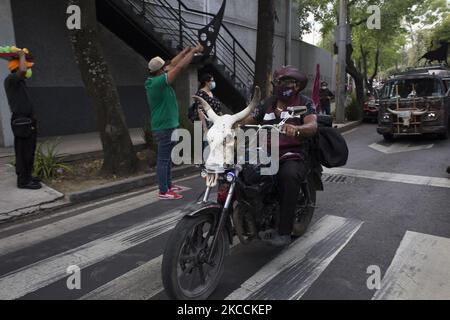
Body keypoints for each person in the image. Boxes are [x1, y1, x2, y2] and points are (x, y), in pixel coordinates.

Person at [240, 66, 318, 246]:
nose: (282, 86)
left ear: (296, 86)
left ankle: (284, 231)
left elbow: (312, 125)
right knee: (239, 170)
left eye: (287, 82)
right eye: (279, 82)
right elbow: (248, 120)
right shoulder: (267, 104)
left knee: (288, 176)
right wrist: (228, 123)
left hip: (292, 153)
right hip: (264, 151)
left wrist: (297, 129)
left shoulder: (304, 103)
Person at [145, 44, 204, 200]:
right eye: (164, 67)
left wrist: (184, 51)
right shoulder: (158, 83)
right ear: (159, 70)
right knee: (163, 160)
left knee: (168, 158)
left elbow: (172, 63)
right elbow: (178, 67)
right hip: (164, 127)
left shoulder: (156, 78)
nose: (167, 67)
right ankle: (164, 191)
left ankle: (169, 185)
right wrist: (192, 52)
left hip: (168, 125)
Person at [4, 50, 41, 190]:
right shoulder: (11, 79)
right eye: (26, 66)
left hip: (28, 121)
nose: (28, 69)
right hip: (21, 121)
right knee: (23, 152)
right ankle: (23, 181)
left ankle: (28, 176)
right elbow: (23, 71)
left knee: (29, 151)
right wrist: (20, 55)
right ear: (17, 67)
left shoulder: (20, 83)